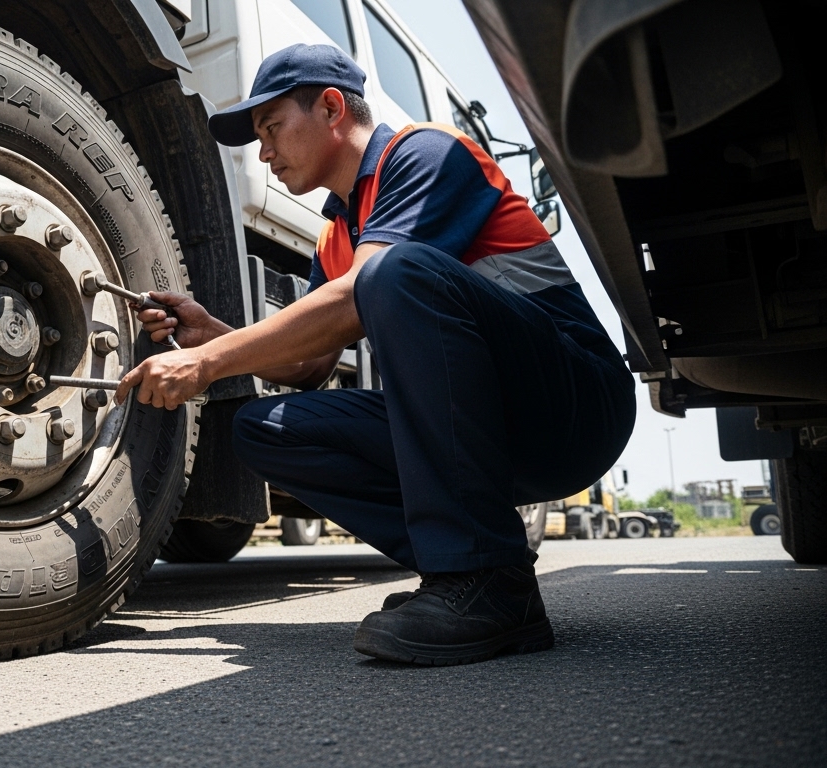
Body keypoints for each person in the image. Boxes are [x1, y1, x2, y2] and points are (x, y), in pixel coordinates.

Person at [115, 44, 635, 665]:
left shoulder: (427, 153)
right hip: (496, 433)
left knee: (395, 271)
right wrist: (211, 334)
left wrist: (207, 363)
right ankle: (478, 571)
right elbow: (307, 367)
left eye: (272, 128)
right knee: (261, 429)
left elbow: (358, 295)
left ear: (332, 108)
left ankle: (481, 575)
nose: (264, 153)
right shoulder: (337, 235)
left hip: (576, 406)